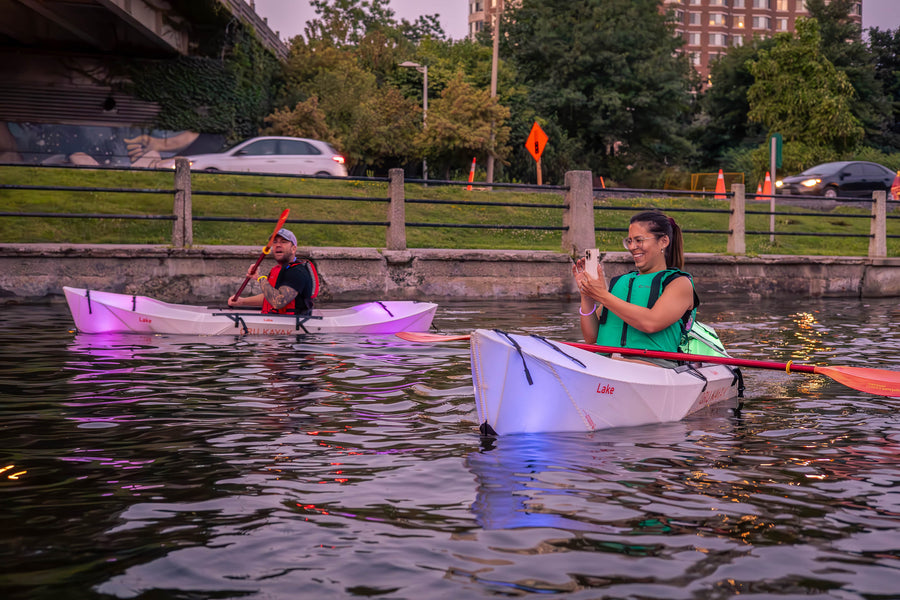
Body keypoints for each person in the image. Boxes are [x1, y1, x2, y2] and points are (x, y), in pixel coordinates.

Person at [572, 211, 697, 352]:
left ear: (663, 242)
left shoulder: (679, 283)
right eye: (630, 241)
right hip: (607, 365)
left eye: (639, 240)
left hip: (652, 367)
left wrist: (602, 295)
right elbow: (591, 337)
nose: (632, 247)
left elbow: (651, 323)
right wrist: (587, 295)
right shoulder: (622, 282)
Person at [227, 228, 319, 314]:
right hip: (274, 322)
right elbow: (269, 297)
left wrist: (260, 278)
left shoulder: (297, 272)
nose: (278, 245)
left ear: (293, 249)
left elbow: (278, 301)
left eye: (283, 242)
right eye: (274, 242)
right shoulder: (277, 270)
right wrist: (242, 301)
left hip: (293, 325)